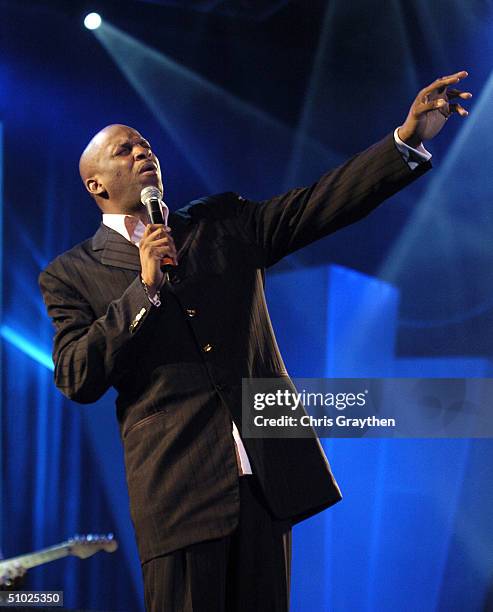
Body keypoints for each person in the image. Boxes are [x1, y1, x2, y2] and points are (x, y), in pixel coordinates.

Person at [39, 72, 471, 612]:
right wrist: (143, 290)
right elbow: (77, 375)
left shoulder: (221, 223)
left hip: (268, 477)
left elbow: (319, 204)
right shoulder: (71, 273)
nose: (142, 153)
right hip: (178, 491)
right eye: (124, 151)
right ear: (96, 185)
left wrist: (405, 141)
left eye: (146, 146)